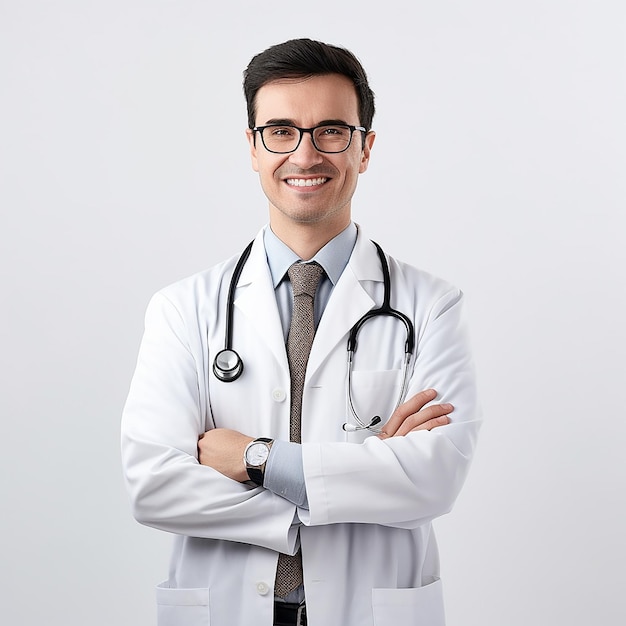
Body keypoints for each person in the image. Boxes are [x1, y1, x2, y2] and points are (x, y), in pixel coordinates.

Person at [121, 38, 481, 626]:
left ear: (364, 148)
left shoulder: (431, 306)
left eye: (332, 131)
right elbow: (153, 485)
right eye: (281, 131)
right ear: (253, 148)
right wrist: (357, 479)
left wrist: (256, 459)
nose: (306, 154)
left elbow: (432, 479)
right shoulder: (183, 308)